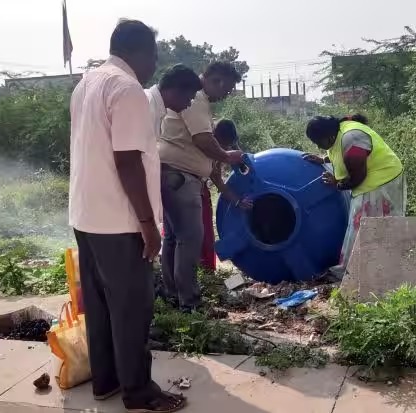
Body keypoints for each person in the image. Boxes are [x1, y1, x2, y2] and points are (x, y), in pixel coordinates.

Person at [69, 20, 186, 412]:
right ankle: (138, 393)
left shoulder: (86, 83)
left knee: (101, 305)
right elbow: (127, 160)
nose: (154, 64)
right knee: (133, 309)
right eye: (153, 55)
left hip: (87, 216)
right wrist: (148, 224)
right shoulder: (127, 88)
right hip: (119, 223)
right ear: (137, 52)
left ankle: (106, 382)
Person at [159, 62, 244, 312]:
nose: (225, 95)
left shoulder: (196, 99)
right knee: (189, 239)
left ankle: (173, 295)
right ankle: (190, 304)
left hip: (171, 174)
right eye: (226, 89)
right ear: (215, 80)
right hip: (181, 177)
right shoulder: (195, 99)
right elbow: (203, 139)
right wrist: (228, 156)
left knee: (174, 239)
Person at [303, 114, 405, 279]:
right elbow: (338, 151)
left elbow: (357, 179)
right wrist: (323, 159)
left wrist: (336, 183)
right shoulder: (338, 133)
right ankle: (361, 267)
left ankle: (360, 271)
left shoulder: (352, 139)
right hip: (371, 179)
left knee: (366, 226)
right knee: (362, 225)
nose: (318, 146)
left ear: (328, 136)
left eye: (318, 143)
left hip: (382, 181)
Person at [199, 119, 253, 272]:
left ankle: (207, 269)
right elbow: (215, 178)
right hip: (194, 186)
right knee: (200, 233)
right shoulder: (205, 140)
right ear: (214, 137)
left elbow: (243, 164)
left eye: (226, 146)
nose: (223, 149)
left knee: (206, 231)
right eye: (222, 145)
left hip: (200, 189)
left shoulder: (224, 146)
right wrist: (237, 201)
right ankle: (203, 269)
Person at [145, 64, 203, 136]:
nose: (189, 104)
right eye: (188, 99)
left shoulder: (156, 106)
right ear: (176, 91)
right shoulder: (147, 105)